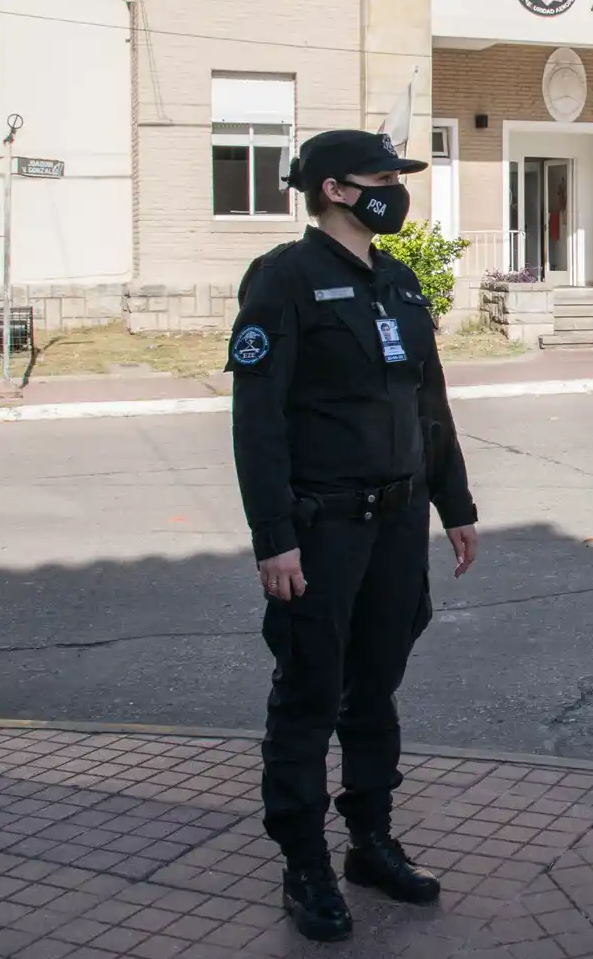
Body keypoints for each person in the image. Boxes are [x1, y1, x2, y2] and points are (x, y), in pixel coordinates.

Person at [227, 128, 481, 943]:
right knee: (308, 695)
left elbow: (428, 406)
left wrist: (457, 505)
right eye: (382, 178)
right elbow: (257, 421)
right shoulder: (284, 281)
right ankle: (304, 862)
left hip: (399, 523)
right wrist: (274, 537)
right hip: (321, 528)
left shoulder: (400, 282)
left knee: (375, 692)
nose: (396, 190)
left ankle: (370, 841)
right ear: (335, 189)